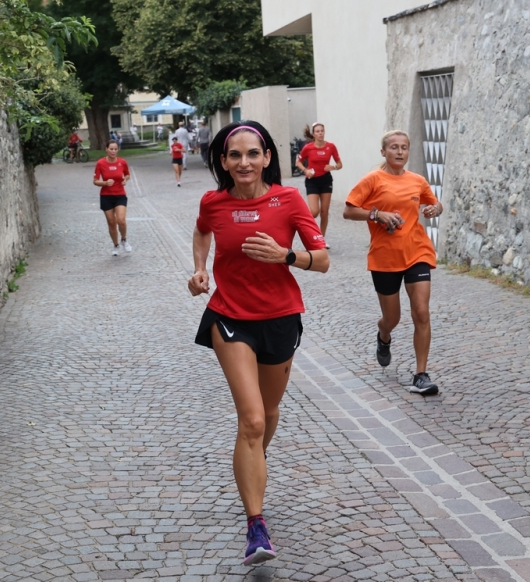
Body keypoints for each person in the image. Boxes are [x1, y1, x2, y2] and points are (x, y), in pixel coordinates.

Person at [188, 121, 329, 566]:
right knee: (250, 419)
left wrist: (288, 256)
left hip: (281, 318)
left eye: (253, 154)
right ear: (224, 162)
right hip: (229, 316)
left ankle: (252, 463)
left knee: (267, 414)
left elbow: (323, 261)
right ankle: (256, 527)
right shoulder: (213, 202)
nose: (244, 162)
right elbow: (202, 231)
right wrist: (200, 270)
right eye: (235, 155)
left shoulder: (287, 201)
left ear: (268, 157)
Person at [343, 130, 443, 396]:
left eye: (404, 148)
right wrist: (377, 214)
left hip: (417, 252)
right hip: (385, 257)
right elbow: (349, 210)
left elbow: (435, 204)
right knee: (392, 318)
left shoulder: (418, 180)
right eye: (394, 148)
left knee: (421, 312)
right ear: (383, 152)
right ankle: (383, 333)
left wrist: (435, 209)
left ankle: (421, 375)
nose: (400, 152)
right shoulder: (373, 180)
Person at [295, 122, 342, 248]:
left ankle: (321, 238)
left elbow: (339, 164)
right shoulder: (308, 148)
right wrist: (306, 171)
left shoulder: (331, 147)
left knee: (324, 211)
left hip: (326, 180)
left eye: (322, 131)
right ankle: (309, 233)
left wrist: (333, 167)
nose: (320, 133)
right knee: (314, 212)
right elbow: (298, 162)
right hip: (312, 180)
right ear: (313, 134)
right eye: (317, 131)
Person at [93, 140, 132, 256]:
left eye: (115, 149)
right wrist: (105, 183)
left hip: (120, 194)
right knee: (111, 222)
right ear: (106, 149)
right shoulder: (100, 163)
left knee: (121, 220)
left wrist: (125, 179)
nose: (113, 151)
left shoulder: (122, 162)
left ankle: (124, 239)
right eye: (111, 149)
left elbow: (127, 174)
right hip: (106, 196)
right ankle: (116, 245)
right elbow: (95, 181)